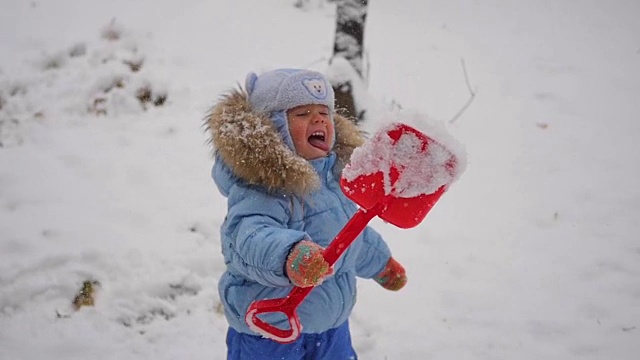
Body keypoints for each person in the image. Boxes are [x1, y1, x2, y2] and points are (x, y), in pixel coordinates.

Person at [206, 68, 407, 359]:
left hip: (331, 326)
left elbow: (350, 236)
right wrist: (290, 255)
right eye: (301, 114)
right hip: (271, 328)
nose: (318, 120)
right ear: (273, 128)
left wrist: (380, 263)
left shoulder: (332, 180)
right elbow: (249, 238)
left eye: (324, 113)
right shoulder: (262, 187)